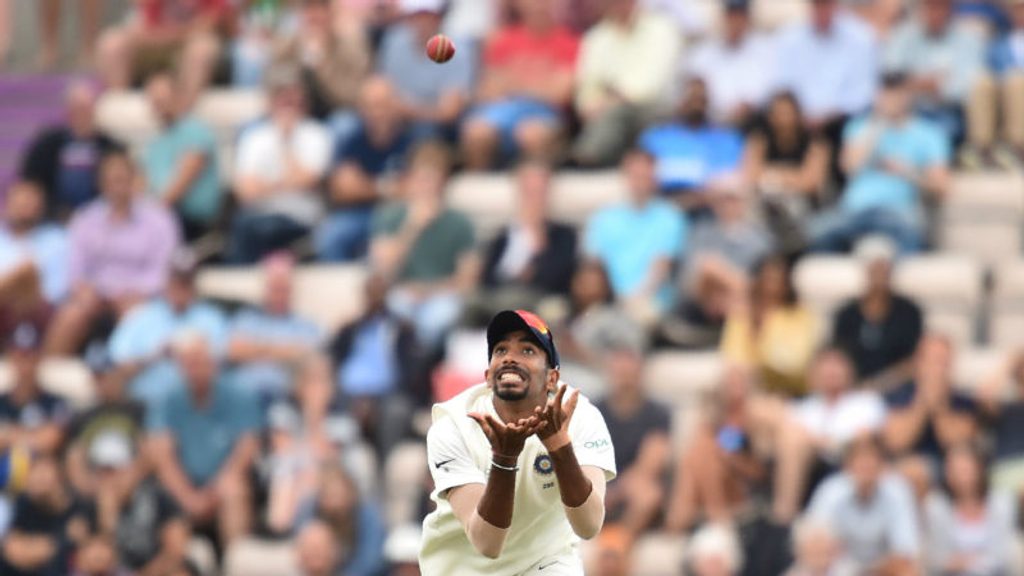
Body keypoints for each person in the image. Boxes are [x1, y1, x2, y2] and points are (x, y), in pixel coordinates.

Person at [419, 309, 617, 574]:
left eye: (527, 351)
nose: (510, 358)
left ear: (552, 379)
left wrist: (559, 446)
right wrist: (504, 460)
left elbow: (589, 525)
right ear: (488, 376)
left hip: (546, 562)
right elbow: (487, 543)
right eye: (501, 350)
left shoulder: (580, 415)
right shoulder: (453, 424)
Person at [45, 150, 181, 356]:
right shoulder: (85, 219)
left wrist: (132, 292)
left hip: (140, 298)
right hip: (94, 298)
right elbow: (74, 270)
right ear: (101, 184)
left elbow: (164, 271)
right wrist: (86, 291)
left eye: (122, 179)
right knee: (70, 317)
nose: (118, 187)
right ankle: (50, 380)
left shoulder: (160, 219)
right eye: (111, 181)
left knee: (137, 318)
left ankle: (125, 384)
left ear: (135, 180)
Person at [810, 72, 950, 255]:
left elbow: (942, 186)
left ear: (908, 96)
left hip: (899, 212)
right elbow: (849, 167)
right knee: (816, 234)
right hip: (855, 210)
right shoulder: (859, 127)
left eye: (897, 92)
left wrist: (907, 172)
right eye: (886, 93)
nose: (891, 99)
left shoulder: (929, 134)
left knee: (911, 237)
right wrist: (878, 125)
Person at [148, 333, 261, 551]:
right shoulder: (168, 399)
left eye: (201, 362)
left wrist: (214, 492)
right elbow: (162, 454)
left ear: (214, 363)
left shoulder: (239, 395)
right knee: (159, 488)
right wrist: (189, 498)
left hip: (223, 482)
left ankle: (235, 564)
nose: (196, 370)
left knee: (234, 490)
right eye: (189, 364)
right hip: (184, 487)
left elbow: (246, 449)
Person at [370, 142, 478, 351]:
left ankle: (419, 369)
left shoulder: (459, 223)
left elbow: (467, 280)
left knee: (436, 319)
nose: (426, 187)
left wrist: (428, 290)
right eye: (421, 180)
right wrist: (412, 227)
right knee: (397, 310)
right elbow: (383, 271)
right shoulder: (390, 217)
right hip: (401, 293)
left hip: (442, 295)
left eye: (432, 181)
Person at [229, 65, 332, 264]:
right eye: (283, 98)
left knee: (263, 229)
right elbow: (245, 191)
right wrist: (283, 185)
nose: (288, 104)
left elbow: (308, 181)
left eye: (293, 98)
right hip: (259, 215)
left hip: (301, 218)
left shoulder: (316, 134)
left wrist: (286, 142)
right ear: (272, 101)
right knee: (244, 226)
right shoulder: (254, 137)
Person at [259, 355, 372, 535]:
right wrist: (308, 414)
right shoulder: (282, 412)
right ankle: (280, 530)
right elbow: (283, 451)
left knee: (311, 474)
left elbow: (329, 458)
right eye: (311, 381)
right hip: (289, 473)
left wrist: (316, 415)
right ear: (299, 384)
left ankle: (293, 531)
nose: (317, 388)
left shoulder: (342, 421)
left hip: (329, 475)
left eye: (323, 381)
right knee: (289, 471)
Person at [772, 347, 888, 523]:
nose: (831, 371)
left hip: (848, 465)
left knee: (795, 437)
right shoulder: (804, 408)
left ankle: (784, 518)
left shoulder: (865, 402)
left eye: (837, 364)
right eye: (825, 365)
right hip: (810, 467)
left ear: (850, 370)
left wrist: (817, 441)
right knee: (784, 429)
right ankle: (784, 518)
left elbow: (862, 440)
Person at [460, 0, 580, 169]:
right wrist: (539, 82)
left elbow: (561, 94)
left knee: (531, 134)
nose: (537, 5)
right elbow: (486, 90)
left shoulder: (569, 42)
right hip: (506, 109)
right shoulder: (504, 40)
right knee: (476, 132)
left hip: (547, 112)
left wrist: (513, 83)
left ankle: (534, 184)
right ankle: (477, 182)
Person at [107, 248, 229, 407]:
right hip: (144, 402)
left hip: (197, 405)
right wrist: (156, 354)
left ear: (194, 285)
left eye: (185, 284)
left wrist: (193, 355)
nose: (180, 290)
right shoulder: (140, 316)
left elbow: (223, 362)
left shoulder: (212, 318)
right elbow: (118, 367)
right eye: (175, 283)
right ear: (166, 283)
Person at [583, 149, 688, 323]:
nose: (640, 182)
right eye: (635, 176)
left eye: (645, 176)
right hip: (608, 301)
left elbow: (661, 267)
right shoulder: (604, 218)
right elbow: (595, 265)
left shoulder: (670, 217)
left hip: (650, 301)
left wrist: (633, 300)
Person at [571, 0, 680, 167]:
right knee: (611, 115)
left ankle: (587, 159)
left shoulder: (662, 29)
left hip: (655, 109)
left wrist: (612, 99)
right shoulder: (596, 37)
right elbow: (586, 85)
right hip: (606, 112)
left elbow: (652, 84)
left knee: (616, 113)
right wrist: (589, 105)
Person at [317, 77, 413, 263]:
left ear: (395, 105)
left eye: (383, 105)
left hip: (400, 213)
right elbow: (342, 191)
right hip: (360, 213)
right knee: (331, 237)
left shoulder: (412, 139)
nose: (378, 113)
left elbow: (415, 188)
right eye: (371, 106)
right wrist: (387, 187)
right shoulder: (352, 140)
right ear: (361, 109)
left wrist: (366, 185)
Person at [665, 366, 771, 532]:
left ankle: (683, 515)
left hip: (742, 483)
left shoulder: (756, 420)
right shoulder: (716, 421)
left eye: (738, 383)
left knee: (704, 451)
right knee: (700, 453)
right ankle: (706, 511)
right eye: (730, 384)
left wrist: (730, 459)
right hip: (713, 477)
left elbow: (760, 472)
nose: (734, 389)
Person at [77, 430, 192, 575]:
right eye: (101, 471)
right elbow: (93, 560)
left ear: (130, 469)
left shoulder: (156, 496)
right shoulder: (89, 506)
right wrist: (107, 516)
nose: (108, 478)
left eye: (112, 470)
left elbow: (176, 550)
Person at [806, 434, 920, 575]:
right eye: (860, 460)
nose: (866, 466)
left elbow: (905, 552)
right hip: (837, 569)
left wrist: (870, 571)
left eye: (872, 460)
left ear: (882, 465)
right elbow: (814, 544)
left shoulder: (898, 491)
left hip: (883, 571)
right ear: (847, 466)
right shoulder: (830, 491)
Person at [329, 275, 418, 456]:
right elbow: (332, 360)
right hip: (347, 394)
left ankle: (385, 469)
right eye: (371, 293)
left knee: (398, 410)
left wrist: (373, 401)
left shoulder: (401, 330)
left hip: (386, 395)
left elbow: (410, 372)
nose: (375, 298)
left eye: (379, 293)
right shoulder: (350, 330)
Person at [594, 337, 670, 539]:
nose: (625, 378)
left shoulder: (657, 414)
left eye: (630, 372)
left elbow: (650, 465)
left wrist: (617, 492)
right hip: (599, 485)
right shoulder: (592, 412)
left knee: (648, 494)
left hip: (631, 487)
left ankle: (619, 545)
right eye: (620, 372)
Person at [775, 0, 878, 146]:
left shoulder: (861, 37)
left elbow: (863, 94)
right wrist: (801, 114)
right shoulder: (789, 38)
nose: (822, 9)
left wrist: (830, 115)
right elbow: (782, 86)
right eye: (817, 4)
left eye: (826, 4)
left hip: (842, 122)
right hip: (798, 121)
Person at [883, 0, 986, 145]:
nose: (935, 13)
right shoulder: (904, 35)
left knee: (943, 132)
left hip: (951, 112)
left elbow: (970, 86)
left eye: (940, 7)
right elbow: (892, 76)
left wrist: (938, 87)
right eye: (930, 7)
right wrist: (924, 83)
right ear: (920, 9)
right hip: (909, 111)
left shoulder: (968, 38)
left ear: (950, 10)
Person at [18, 81, 120, 222]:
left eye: (86, 109)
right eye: (77, 109)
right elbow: (30, 182)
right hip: (52, 219)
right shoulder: (47, 144)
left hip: (101, 219)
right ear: (68, 111)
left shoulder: (110, 146)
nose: (82, 115)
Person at [720, 255, 821, 397]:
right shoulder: (741, 315)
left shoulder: (800, 315)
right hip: (749, 391)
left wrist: (759, 362)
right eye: (767, 279)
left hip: (792, 392)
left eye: (778, 280)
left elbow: (795, 361)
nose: (771, 285)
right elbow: (732, 356)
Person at [226, 252, 322, 401]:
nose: (279, 295)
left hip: (285, 398)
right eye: (274, 289)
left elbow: (308, 356)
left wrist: (257, 350)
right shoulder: (247, 319)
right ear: (265, 289)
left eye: (283, 289)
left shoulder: (305, 324)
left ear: (292, 290)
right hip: (246, 397)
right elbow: (234, 350)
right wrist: (282, 351)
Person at [481, 160, 578, 306]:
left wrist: (539, 245)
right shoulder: (503, 236)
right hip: (499, 299)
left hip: (539, 302)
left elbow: (558, 281)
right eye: (529, 192)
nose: (534, 200)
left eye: (539, 192)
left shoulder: (564, 236)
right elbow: (487, 280)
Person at [378, 0, 477, 142]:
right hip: (395, 120)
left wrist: (408, 109)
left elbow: (449, 112)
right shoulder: (394, 42)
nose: (421, 22)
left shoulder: (457, 51)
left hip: (438, 129)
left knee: (423, 132)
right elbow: (381, 88)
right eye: (416, 16)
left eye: (428, 15)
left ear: (439, 17)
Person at [832, 237, 923, 389]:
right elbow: (839, 357)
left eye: (884, 268)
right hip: (853, 391)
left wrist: (878, 385)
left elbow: (914, 361)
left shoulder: (909, 313)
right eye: (875, 268)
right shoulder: (846, 315)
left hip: (898, 391)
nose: (880, 274)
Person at [95, 0, 226, 104]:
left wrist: (175, 34)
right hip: (159, 42)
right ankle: (121, 109)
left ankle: (184, 117)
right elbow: (144, 27)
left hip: (191, 44)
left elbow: (212, 23)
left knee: (201, 49)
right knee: (111, 43)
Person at [142, 73, 221, 242]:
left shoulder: (196, 131)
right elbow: (144, 185)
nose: (158, 103)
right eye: (154, 99)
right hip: (163, 218)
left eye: (163, 97)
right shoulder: (155, 144)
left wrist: (144, 218)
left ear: (178, 96)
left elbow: (177, 188)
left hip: (192, 224)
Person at [638, 77, 745, 203]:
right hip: (661, 203)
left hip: (711, 207)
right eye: (691, 98)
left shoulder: (726, 139)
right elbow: (642, 174)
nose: (696, 106)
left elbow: (728, 179)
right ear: (679, 101)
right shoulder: (656, 137)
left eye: (700, 99)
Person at [884, 334, 980, 470]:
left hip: (948, 471)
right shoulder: (897, 396)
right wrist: (922, 402)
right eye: (934, 361)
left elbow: (957, 443)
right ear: (918, 363)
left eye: (944, 362)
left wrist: (940, 406)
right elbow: (896, 442)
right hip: (904, 468)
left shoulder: (963, 401)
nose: (939, 369)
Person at [269, 0, 371, 122]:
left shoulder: (350, 45)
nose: (314, 16)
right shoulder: (290, 44)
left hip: (336, 111)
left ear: (331, 14)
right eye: (309, 10)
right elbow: (274, 81)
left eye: (320, 10)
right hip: (296, 112)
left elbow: (351, 96)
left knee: (344, 124)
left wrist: (321, 62)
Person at [924, 444, 1017, 576]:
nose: (958, 476)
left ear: (979, 469)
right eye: (952, 470)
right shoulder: (936, 505)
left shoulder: (1002, 502)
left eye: (964, 470)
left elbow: (1002, 555)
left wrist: (966, 562)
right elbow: (936, 559)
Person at [741, 92, 830, 222]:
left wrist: (770, 176)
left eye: (788, 113)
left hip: (803, 208)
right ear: (771, 117)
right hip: (765, 202)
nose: (785, 119)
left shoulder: (816, 142)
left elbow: (811, 182)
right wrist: (793, 177)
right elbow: (750, 175)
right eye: (779, 113)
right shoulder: (760, 140)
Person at [688, 0, 776, 127]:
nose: (736, 22)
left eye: (740, 16)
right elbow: (695, 90)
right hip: (710, 124)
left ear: (748, 19)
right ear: (724, 17)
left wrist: (749, 105)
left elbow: (770, 90)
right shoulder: (704, 53)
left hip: (752, 123)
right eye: (732, 16)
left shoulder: (765, 51)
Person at [0, 455, 88, 576]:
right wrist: (64, 538)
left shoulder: (81, 508)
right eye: (31, 472)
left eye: (42, 472)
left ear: (60, 475)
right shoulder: (21, 505)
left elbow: (93, 558)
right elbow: (17, 554)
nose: (35, 478)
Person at [300, 463, 387, 575]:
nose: (335, 503)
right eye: (329, 495)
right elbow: (302, 549)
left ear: (350, 493)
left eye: (338, 495)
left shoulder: (368, 516)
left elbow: (372, 560)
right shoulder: (312, 511)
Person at [0, 320, 70, 457]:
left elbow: (49, 442)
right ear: (11, 357)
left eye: (31, 356)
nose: (26, 365)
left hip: (37, 469)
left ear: (40, 357)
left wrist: (8, 435)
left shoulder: (55, 403)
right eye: (20, 356)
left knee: (45, 475)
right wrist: (33, 436)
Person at [969, 0, 1024, 167]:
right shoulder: (998, 43)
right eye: (1017, 10)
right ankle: (983, 148)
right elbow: (992, 70)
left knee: (1016, 81)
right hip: (1006, 93)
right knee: (982, 81)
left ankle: (1019, 148)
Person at [0, 181, 69, 312]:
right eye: (19, 202)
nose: (23, 208)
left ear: (41, 207)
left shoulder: (56, 239)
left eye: (28, 203)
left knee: (26, 270)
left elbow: (56, 291)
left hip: (36, 308)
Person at [783, 517, 858, 576]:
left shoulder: (852, 572)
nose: (820, 559)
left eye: (824, 552)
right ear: (799, 554)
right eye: (813, 553)